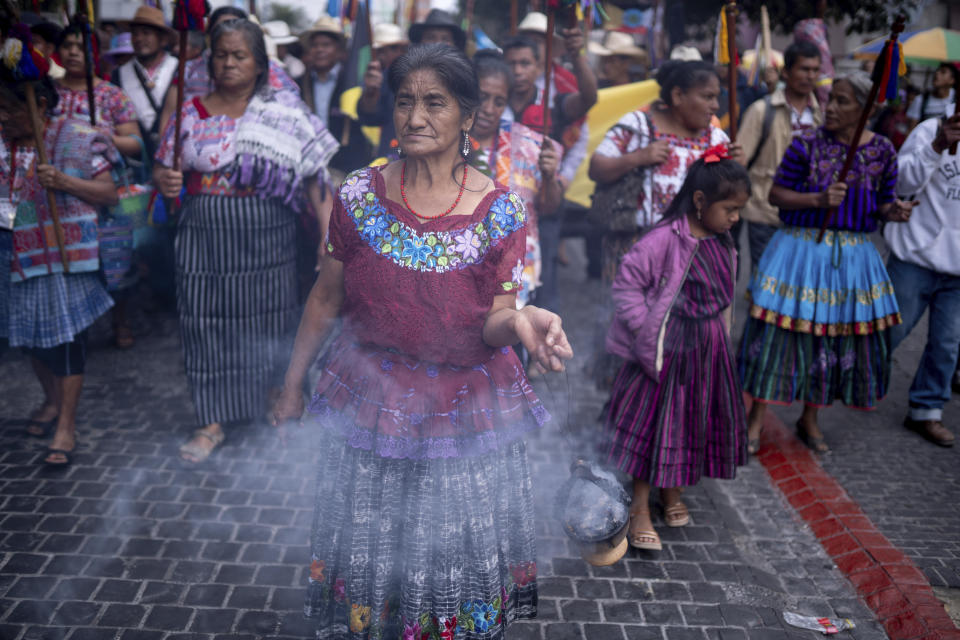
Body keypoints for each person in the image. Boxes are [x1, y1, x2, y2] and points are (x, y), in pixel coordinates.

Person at [270, 44, 572, 638]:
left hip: (463, 411)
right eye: (404, 101)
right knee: (374, 540)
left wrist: (520, 323)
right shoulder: (357, 194)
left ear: (467, 115)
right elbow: (326, 299)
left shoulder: (500, 210)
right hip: (370, 398)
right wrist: (290, 387)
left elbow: (495, 319)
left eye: (434, 103)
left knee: (448, 547)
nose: (415, 118)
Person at [152, 19, 338, 464]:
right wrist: (167, 180)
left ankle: (279, 405)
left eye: (240, 55)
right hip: (203, 238)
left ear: (259, 64)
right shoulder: (189, 114)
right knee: (205, 324)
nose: (229, 63)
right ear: (209, 61)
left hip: (267, 240)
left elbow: (317, 182)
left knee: (271, 322)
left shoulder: (286, 114)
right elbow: (162, 173)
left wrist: (329, 239)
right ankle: (211, 420)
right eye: (221, 54)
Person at [738, 72, 915, 454]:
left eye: (842, 101)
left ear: (867, 110)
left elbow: (882, 202)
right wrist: (818, 200)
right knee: (779, 336)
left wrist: (893, 210)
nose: (830, 107)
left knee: (830, 338)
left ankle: (810, 416)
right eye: (830, 98)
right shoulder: (807, 144)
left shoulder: (882, 151)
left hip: (852, 256)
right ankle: (756, 417)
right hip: (800, 250)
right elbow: (776, 195)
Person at [604, 147, 749, 550]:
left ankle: (671, 491)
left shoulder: (724, 240)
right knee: (655, 427)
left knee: (689, 423)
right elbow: (627, 286)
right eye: (730, 208)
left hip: (706, 352)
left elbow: (723, 297)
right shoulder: (663, 240)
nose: (736, 218)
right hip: (664, 353)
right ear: (701, 202)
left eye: (739, 209)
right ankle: (639, 506)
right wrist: (645, 327)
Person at [587, 60, 734, 389]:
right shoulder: (638, 124)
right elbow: (597, 168)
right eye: (707, 97)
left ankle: (666, 400)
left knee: (678, 328)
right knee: (629, 323)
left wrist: (728, 167)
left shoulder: (715, 135)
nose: (714, 106)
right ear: (679, 95)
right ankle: (621, 399)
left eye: (717, 98)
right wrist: (637, 158)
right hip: (634, 248)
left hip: (691, 254)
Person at [0, 76, 119, 466]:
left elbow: (109, 193)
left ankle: (66, 424)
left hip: (63, 252)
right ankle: (52, 401)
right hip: (12, 250)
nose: (2, 117)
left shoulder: (81, 137)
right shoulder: (3, 141)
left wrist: (63, 181)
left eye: (10, 109)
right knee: (31, 336)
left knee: (66, 340)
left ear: (40, 105)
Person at [54, 22, 144, 350]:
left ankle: (120, 320)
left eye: (81, 47)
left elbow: (135, 143)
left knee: (115, 260)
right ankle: (75, 326)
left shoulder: (111, 94)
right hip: (62, 192)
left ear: (94, 53)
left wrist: (108, 137)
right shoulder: (48, 92)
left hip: (107, 195)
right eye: (67, 46)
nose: (74, 52)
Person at [884, 106, 960, 447]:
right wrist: (937, 146)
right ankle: (850, 383)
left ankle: (926, 411)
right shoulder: (931, 129)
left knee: (947, 345)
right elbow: (899, 181)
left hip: (957, 270)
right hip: (915, 257)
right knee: (888, 332)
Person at [470, 52, 564, 309]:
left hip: (511, 272)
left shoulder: (531, 147)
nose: (489, 109)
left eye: (499, 102)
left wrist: (548, 176)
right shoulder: (448, 140)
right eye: (482, 98)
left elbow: (548, 208)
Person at [737, 40, 822, 268]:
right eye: (804, 69)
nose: (810, 76)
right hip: (765, 211)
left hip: (805, 212)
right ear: (786, 72)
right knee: (766, 281)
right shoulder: (761, 111)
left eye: (815, 70)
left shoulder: (820, 116)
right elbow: (739, 161)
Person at [298, 15, 371, 181]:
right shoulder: (298, 84)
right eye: (315, 45)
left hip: (347, 167)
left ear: (338, 50)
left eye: (326, 45)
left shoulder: (353, 83)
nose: (319, 50)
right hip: (308, 166)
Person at [110, 5, 178, 159]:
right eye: (135, 34)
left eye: (146, 33)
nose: (139, 39)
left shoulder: (179, 69)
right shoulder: (119, 74)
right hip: (135, 161)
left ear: (162, 39)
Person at [357, 23, 410, 161]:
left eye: (402, 48)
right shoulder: (377, 79)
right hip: (390, 156)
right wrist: (370, 92)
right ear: (377, 53)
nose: (399, 53)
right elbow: (369, 119)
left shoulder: (417, 74)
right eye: (393, 48)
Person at [906, 63, 958, 129]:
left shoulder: (957, 99)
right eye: (937, 71)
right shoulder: (921, 100)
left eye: (943, 72)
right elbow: (912, 128)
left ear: (952, 80)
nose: (937, 73)